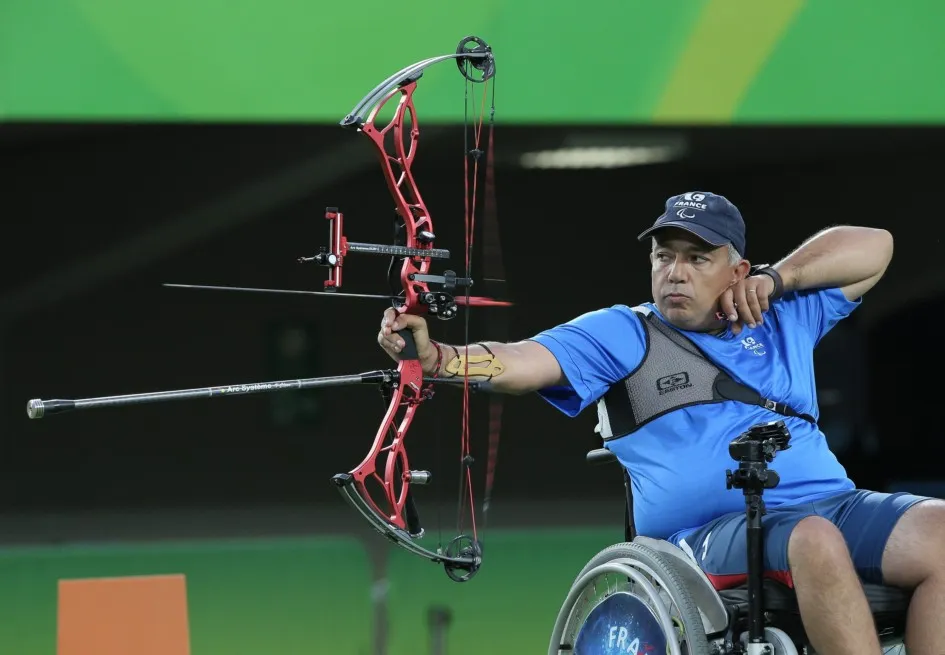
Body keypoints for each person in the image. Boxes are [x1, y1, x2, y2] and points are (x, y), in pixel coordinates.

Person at [377, 191, 944, 655]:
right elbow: (523, 361)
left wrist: (780, 279)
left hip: (829, 503)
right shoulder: (625, 333)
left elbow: (877, 246)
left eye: (697, 259)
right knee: (814, 540)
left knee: (939, 528)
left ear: (737, 270)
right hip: (701, 540)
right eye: (664, 256)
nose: (676, 272)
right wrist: (440, 359)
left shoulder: (785, 311)